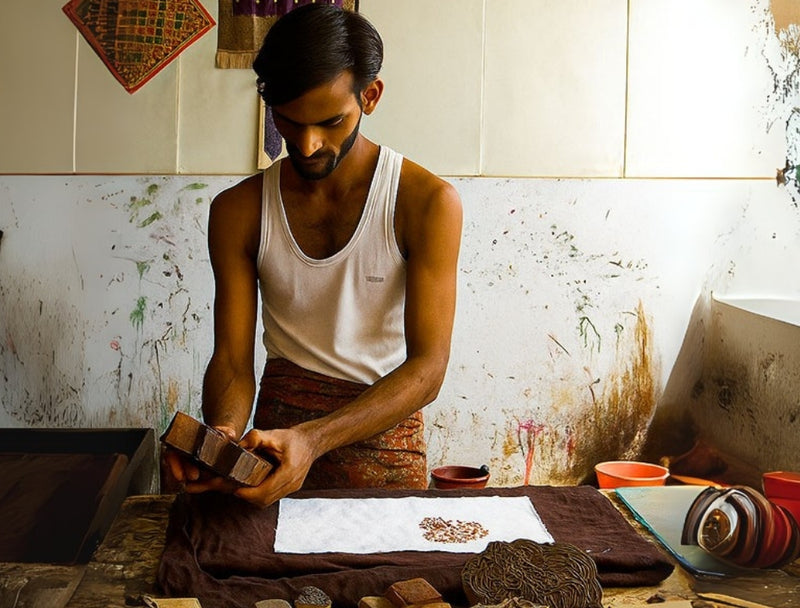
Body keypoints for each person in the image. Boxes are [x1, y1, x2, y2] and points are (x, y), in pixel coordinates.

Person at [166, 3, 462, 507]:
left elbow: (428, 369)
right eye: (288, 120)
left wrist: (314, 438)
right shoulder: (237, 211)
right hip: (272, 451)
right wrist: (222, 438)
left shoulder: (426, 202)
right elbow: (233, 361)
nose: (306, 144)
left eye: (330, 121)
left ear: (370, 96)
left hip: (385, 447)